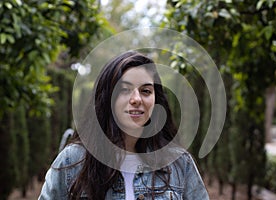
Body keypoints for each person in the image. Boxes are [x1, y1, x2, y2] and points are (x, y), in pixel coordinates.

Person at [38, 51, 209, 200]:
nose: (136, 99)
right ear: (107, 99)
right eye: (124, 90)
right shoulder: (74, 161)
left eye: (146, 91)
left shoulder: (179, 163)